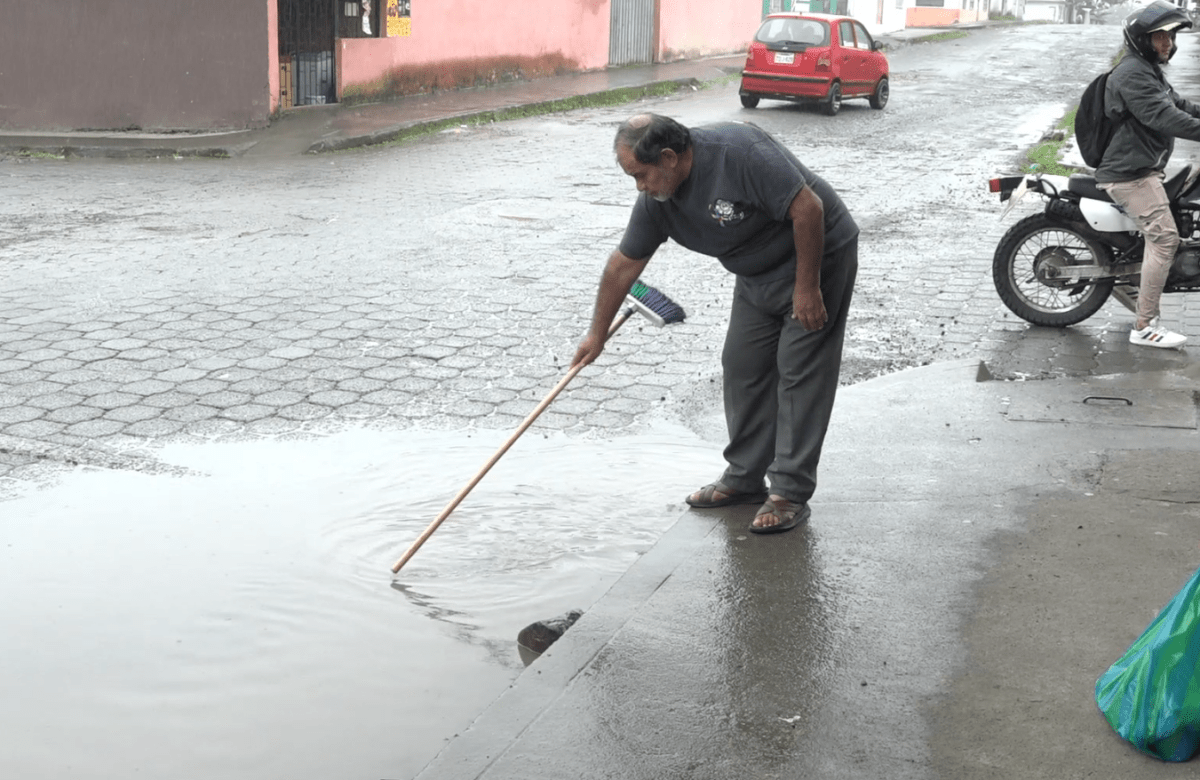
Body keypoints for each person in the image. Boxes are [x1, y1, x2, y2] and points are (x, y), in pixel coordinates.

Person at [571, 114, 858, 534]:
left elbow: (808, 208)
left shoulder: (738, 153)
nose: (639, 187)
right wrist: (596, 334)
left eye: (641, 175)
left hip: (816, 256)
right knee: (743, 365)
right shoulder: (658, 202)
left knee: (799, 372)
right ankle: (744, 478)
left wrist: (807, 287)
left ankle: (788, 493)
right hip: (755, 274)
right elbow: (623, 265)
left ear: (669, 158)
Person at [1095, 0, 1200, 349]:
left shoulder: (1148, 70)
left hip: (1143, 167)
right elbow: (1164, 117)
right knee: (1165, 238)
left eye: (1170, 36)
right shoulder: (1131, 74)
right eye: (1160, 36)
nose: (1168, 43)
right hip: (1130, 174)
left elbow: (1180, 106)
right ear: (1142, 39)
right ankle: (1144, 326)